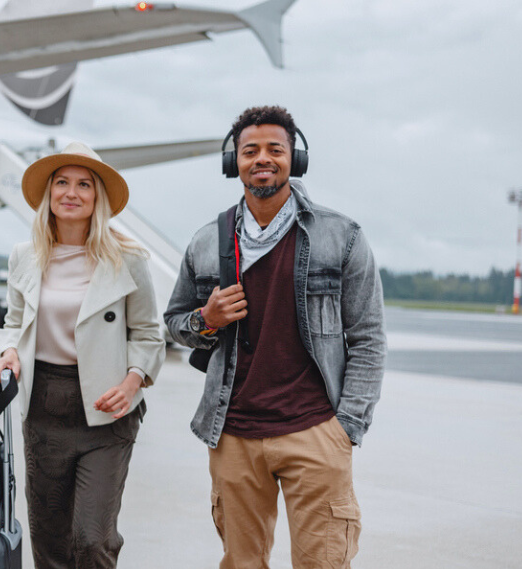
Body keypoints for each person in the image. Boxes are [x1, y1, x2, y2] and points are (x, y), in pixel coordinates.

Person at [163, 106, 386, 569]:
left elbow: (368, 338)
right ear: (234, 163)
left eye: (274, 149)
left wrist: (347, 427)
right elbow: (175, 322)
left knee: (322, 563)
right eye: (250, 151)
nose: (262, 159)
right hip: (234, 435)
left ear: (294, 159)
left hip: (315, 430)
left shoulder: (341, 236)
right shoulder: (207, 241)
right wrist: (207, 319)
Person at [0, 142, 164, 569]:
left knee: (92, 538)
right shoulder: (24, 257)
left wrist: (132, 382)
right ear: (49, 194)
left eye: (84, 184)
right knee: (49, 540)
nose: (72, 192)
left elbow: (148, 333)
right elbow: (14, 320)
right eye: (62, 182)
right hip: (44, 406)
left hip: (107, 407)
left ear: (97, 197)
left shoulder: (128, 258)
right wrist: (9, 350)